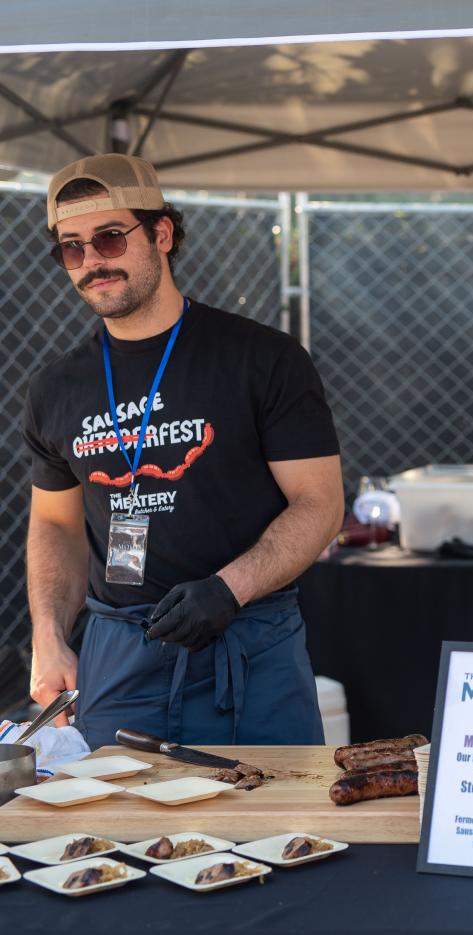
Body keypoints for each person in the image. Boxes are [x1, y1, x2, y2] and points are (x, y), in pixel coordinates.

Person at [22, 153, 345, 748]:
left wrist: (229, 588)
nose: (92, 261)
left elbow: (320, 503)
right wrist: (49, 633)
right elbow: (55, 523)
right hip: (121, 654)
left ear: (161, 234)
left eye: (110, 238)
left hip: (249, 646)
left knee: (273, 830)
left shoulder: (262, 358)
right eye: (72, 247)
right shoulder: (56, 388)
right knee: (116, 835)